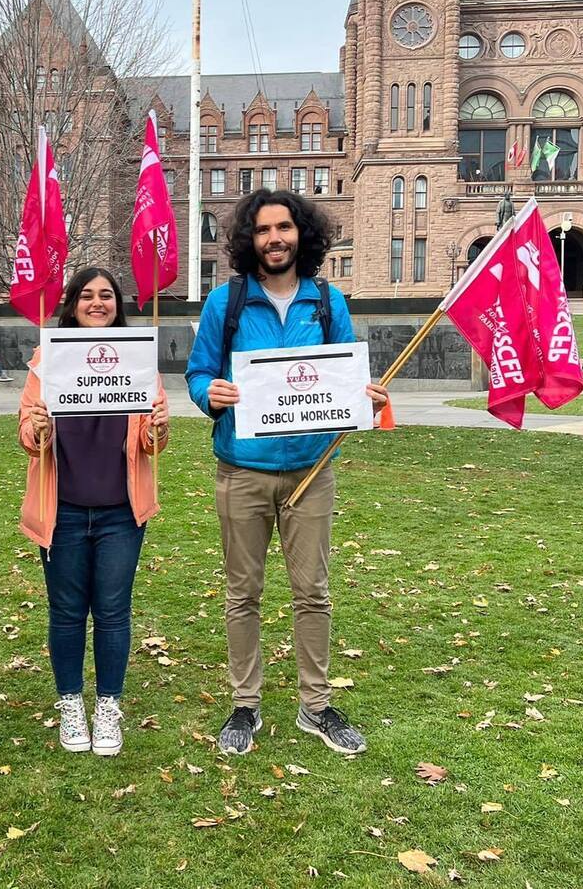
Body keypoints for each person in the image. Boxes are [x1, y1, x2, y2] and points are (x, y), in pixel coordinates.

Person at [185, 189, 388, 757]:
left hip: (310, 471)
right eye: (263, 230)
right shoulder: (225, 304)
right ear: (248, 239)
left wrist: (365, 398)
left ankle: (316, 706)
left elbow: (346, 376)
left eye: (284, 228)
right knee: (242, 593)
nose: (274, 239)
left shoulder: (327, 302)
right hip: (242, 470)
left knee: (312, 593)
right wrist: (211, 393)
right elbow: (198, 372)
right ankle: (244, 704)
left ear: (303, 234)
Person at [18, 267, 169, 757]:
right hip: (60, 509)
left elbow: (150, 441)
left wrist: (160, 428)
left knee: (112, 611)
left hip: (120, 514)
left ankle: (107, 704)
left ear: (118, 305)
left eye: (107, 295)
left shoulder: (138, 359)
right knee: (65, 613)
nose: (98, 302)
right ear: (73, 304)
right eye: (87, 295)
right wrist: (37, 426)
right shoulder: (47, 358)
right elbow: (27, 436)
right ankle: (70, 703)